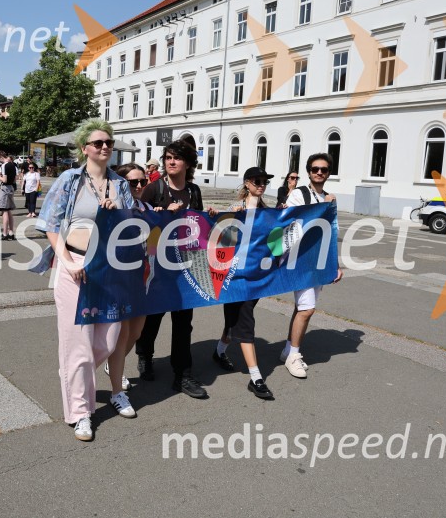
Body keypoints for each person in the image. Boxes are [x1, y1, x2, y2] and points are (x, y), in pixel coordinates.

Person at [36, 118, 135, 441]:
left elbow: (132, 226)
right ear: (84, 149)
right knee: (78, 345)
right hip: (74, 264)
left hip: (110, 268)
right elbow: (51, 225)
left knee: (107, 341)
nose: (105, 147)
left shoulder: (120, 184)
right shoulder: (70, 179)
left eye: (108, 142)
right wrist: (66, 261)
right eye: (98, 143)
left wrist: (119, 209)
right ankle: (81, 413)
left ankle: (72, 374)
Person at [135, 140, 215, 399]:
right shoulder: (153, 189)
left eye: (177, 158)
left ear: (188, 163)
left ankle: (182, 374)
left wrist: (209, 217)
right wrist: (157, 215)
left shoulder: (193, 191)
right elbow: (134, 222)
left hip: (185, 268)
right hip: (157, 268)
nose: (171, 162)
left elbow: (199, 228)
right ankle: (144, 354)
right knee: (152, 319)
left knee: (183, 324)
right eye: (168, 157)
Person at [213, 167, 276, 399]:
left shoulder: (268, 212)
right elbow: (222, 243)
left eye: (265, 182)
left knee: (234, 320)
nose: (261, 185)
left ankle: (219, 351)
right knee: (246, 321)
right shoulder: (234, 209)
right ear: (247, 183)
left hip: (256, 276)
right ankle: (256, 377)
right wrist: (229, 220)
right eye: (257, 181)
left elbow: (274, 243)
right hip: (235, 277)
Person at [281, 153, 343, 378]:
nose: (319, 172)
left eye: (324, 169)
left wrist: (335, 264)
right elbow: (292, 224)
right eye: (315, 169)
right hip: (301, 258)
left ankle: (288, 349)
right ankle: (294, 356)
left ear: (328, 173)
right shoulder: (299, 194)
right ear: (309, 172)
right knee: (308, 310)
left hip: (320, 259)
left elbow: (331, 233)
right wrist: (324, 209)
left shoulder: (330, 197)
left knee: (301, 307)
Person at [103, 162, 151, 400]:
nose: (140, 185)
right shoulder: (114, 206)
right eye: (134, 182)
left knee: (136, 332)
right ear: (122, 184)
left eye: (143, 181)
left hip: (141, 278)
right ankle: (108, 374)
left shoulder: (147, 207)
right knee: (118, 333)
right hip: (118, 279)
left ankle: (114, 365)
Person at [0, 151, 17, 241]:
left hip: (5, 188)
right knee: (9, 211)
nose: (0, 161)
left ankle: (5, 233)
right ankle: (11, 232)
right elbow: (14, 180)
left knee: (5, 211)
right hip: (11, 188)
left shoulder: (4, 166)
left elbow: (4, 180)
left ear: (1, 157)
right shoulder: (13, 165)